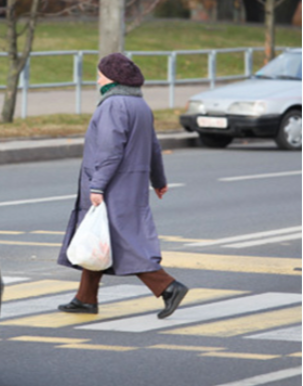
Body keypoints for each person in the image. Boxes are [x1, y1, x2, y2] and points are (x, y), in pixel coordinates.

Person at [57, 53, 189, 320]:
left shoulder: (113, 105)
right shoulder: (140, 105)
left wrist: (97, 186)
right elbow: (153, 147)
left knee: (120, 240)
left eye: (101, 74)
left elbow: (109, 149)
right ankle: (85, 298)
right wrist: (159, 180)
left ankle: (168, 287)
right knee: (99, 238)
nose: (97, 79)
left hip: (114, 185)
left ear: (113, 78)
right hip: (132, 184)